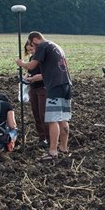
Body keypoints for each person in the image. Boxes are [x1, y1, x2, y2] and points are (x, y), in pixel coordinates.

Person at [14, 31, 72, 162]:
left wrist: (20, 63)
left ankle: (52, 152)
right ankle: (64, 148)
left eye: (32, 44)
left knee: (52, 119)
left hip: (55, 86)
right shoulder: (56, 47)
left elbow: (31, 65)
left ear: (35, 39)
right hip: (66, 84)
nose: (32, 47)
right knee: (63, 118)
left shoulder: (43, 46)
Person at [23, 40, 49, 148]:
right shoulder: (31, 59)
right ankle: (41, 137)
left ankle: (48, 138)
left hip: (42, 88)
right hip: (33, 88)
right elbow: (31, 71)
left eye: (32, 49)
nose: (31, 52)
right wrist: (26, 77)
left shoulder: (42, 59)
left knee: (43, 114)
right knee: (36, 114)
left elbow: (46, 73)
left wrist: (34, 78)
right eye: (28, 50)